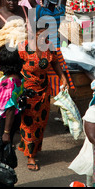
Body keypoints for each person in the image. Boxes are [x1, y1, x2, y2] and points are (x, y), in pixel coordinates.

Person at [17, 25, 69, 171]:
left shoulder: (49, 46)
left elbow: (55, 62)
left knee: (41, 122)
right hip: (27, 91)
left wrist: (62, 77)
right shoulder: (23, 47)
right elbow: (14, 67)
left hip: (44, 91)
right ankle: (30, 156)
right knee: (29, 123)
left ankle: (32, 147)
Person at [0, 45, 24, 187]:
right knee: (3, 155)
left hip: (3, 123)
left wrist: (6, 133)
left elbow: (9, 109)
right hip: (10, 121)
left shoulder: (8, 84)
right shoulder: (18, 78)